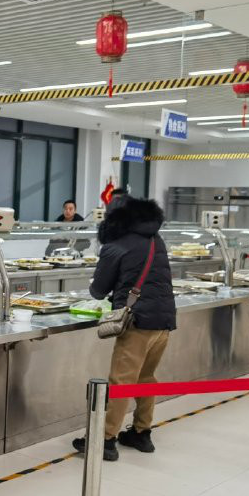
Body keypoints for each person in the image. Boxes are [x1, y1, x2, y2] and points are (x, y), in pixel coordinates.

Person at [72, 196, 176, 461]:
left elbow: (98, 291)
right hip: (163, 319)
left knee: (121, 381)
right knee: (146, 377)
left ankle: (106, 439)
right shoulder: (155, 238)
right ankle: (141, 432)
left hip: (137, 321)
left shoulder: (116, 244)